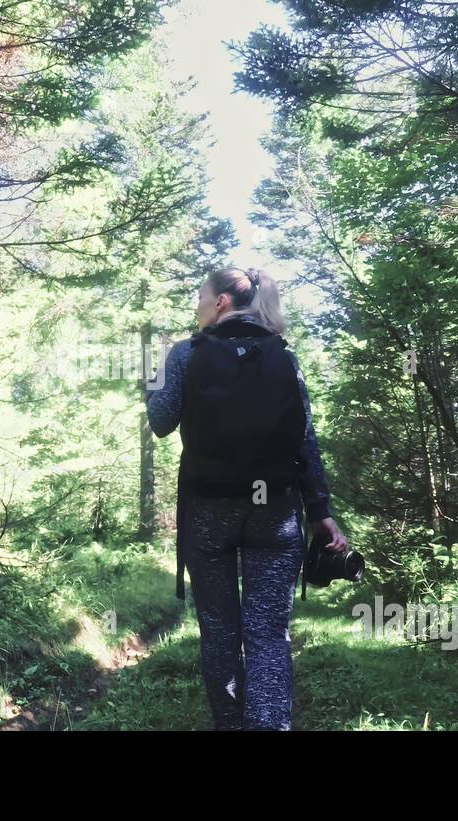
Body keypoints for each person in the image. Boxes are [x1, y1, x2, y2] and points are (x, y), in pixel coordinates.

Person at [144, 265, 347, 731]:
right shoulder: (284, 358)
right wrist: (321, 513)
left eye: (201, 297)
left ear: (219, 302)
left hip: (206, 511)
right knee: (268, 635)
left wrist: (153, 378)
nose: (198, 306)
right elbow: (304, 439)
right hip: (274, 514)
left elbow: (160, 420)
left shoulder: (184, 354)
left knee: (219, 631)